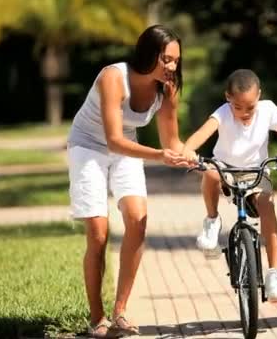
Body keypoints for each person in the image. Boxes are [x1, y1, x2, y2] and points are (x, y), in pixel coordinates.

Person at [66, 25, 188, 337]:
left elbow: (172, 143)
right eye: (166, 59)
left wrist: (197, 160)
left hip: (125, 148)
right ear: (148, 54)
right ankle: (97, 318)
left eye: (176, 60)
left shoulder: (167, 88)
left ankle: (120, 312)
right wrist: (160, 156)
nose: (172, 67)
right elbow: (114, 140)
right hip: (88, 147)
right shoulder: (113, 77)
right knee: (98, 233)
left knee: (137, 219)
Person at [181, 69, 277, 302]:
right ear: (228, 97)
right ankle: (212, 221)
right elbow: (201, 134)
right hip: (225, 169)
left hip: (255, 171)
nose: (244, 113)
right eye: (238, 107)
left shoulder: (268, 109)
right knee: (210, 171)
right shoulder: (223, 113)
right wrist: (188, 150)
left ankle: (275, 274)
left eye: (250, 107)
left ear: (259, 97)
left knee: (267, 205)